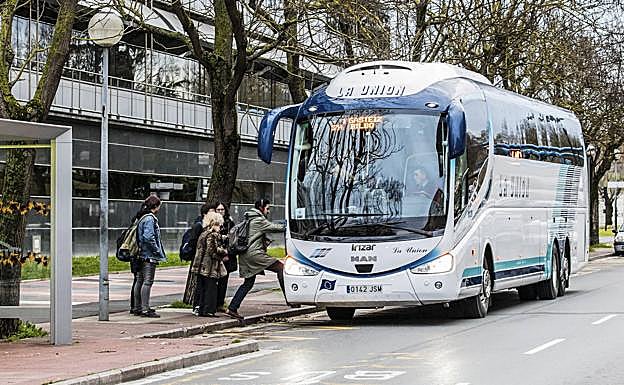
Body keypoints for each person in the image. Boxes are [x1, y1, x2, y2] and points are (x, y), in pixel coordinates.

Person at [226, 198, 286, 319]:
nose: (268, 211)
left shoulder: (249, 218)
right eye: (267, 208)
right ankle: (290, 299)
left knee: (248, 283)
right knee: (281, 268)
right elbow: (277, 228)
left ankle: (232, 308)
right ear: (261, 208)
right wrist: (291, 223)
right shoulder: (258, 220)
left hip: (245, 255)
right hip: (255, 255)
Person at [133, 195, 167, 318]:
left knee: (140, 280)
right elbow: (148, 237)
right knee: (147, 281)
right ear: (156, 206)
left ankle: (138, 307)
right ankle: (145, 309)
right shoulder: (149, 219)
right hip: (148, 255)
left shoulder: (141, 218)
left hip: (140, 254)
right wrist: (157, 250)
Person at [191, 211, 228, 316]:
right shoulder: (212, 235)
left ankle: (202, 309)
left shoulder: (203, 234)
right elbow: (212, 251)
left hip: (201, 266)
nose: (220, 227)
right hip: (209, 267)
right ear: (213, 224)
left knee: (203, 289)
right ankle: (209, 310)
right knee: (211, 289)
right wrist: (224, 252)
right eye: (218, 225)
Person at [182, 203, 213, 311]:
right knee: (200, 283)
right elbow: (194, 242)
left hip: (205, 260)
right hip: (200, 259)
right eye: (211, 212)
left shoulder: (209, 226)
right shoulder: (199, 225)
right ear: (205, 213)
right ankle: (197, 305)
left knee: (205, 284)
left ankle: (202, 305)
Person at [215, 202, 237, 312]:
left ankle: (220, 303)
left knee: (224, 281)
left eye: (222, 209)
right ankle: (213, 302)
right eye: (218, 210)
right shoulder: (212, 222)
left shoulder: (229, 223)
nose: (220, 212)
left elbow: (233, 241)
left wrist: (227, 253)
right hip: (215, 256)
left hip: (226, 256)